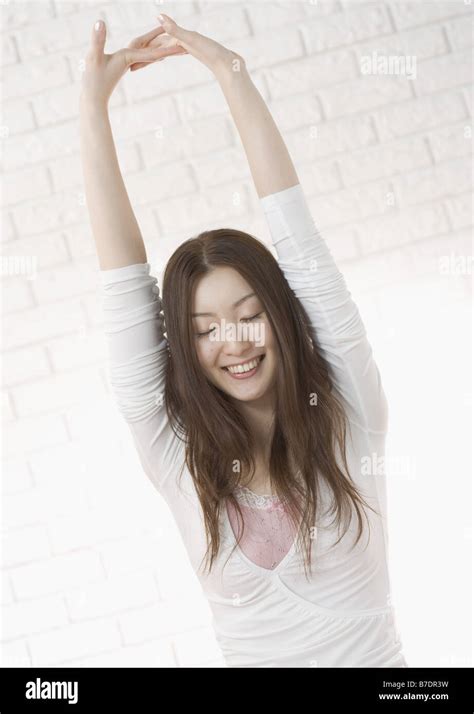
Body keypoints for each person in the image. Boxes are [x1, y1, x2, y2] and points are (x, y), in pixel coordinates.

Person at [79, 12, 407, 668]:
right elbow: (121, 281)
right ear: (185, 348)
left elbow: (300, 242)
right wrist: (92, 104)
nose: (232, 340)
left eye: (250, 314)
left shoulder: (350, 411)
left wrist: (232, 75)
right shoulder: (178, 456)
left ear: (283, 318)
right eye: (203, 330)